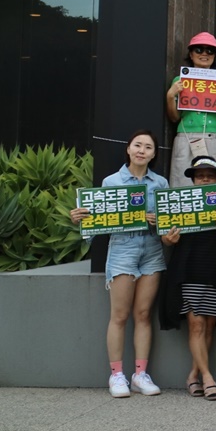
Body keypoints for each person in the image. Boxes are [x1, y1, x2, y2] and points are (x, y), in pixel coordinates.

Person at [69, 129, 168, 398]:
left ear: (153, 154)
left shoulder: (160, 183)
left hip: (152, 250)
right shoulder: (111, 181)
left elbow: (169, 224)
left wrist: (160, 222)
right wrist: (81, 218)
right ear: (128, 149)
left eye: (148, 147)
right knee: (120, 316)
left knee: (144, 315)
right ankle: (116, 375)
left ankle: (140, 374)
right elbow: (98, 217)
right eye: (137, 145)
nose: (142, 150)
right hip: (123, 249)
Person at [159, 156, 216, 401]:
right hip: (189, 267)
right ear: (193, 179)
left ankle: (193, 375)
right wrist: (168, 239)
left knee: (209, 326)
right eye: (199, 175)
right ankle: (208, 378)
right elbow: (165, 234)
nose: (204, 179)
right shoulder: (179, 202)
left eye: (210, 175)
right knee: (196, 324)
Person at [164, 32, 216, 186]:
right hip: (186, 136)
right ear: (191, 54)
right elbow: (174, 118)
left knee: (214, 185)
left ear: (214, 56)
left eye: (210, 51)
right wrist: (170, 96)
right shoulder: (179, 81)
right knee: (181, 184)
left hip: (214, 135)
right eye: (199, 50)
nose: (204, 54)